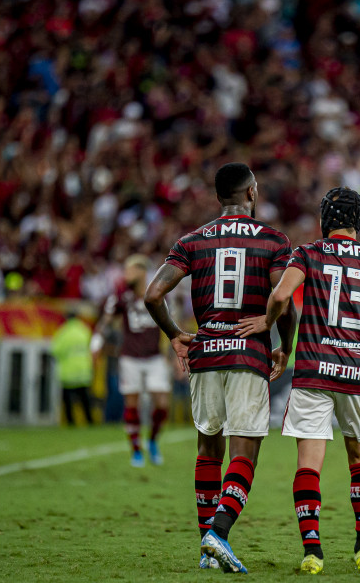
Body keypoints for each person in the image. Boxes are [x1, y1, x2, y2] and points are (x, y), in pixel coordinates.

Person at [237, 187, 360, 575]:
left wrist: (270, 326)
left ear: (325, 221)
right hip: (359, 373)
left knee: (310, 462)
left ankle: (312, 552)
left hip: (314, 370)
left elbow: (281, 294)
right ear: (359, 223)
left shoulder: (307, 253)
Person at [144, 162, 297, 573]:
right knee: (244, 451)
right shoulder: (273, 240)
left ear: (218, 198)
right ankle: (220, 534)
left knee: (208, 448)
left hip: (206, 353)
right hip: (248, 355)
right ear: (251, 192)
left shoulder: (194, 240)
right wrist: (283, 344)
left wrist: (176, 334)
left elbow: (154, 294)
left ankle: (205, 549)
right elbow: (284, 298)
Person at [92, 254, 172, 467]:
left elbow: (171, 326)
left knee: (163, 404)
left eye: (130, 270)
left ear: (141, 271)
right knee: (132, 403)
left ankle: (153, 440)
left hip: (154, 356)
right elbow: (106, 321)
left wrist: (173, 354)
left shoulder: (159, 295)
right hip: (130, 357)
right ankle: (136, 449)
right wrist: (96, 343)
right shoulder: (121, 297)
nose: (125, 275)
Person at [50, 312, 96, 426]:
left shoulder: (63, 332)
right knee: (85, 398)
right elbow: (92, 347)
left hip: (68, 372)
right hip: (83, 370)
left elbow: (55, 351)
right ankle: (89, 421)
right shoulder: (84, 330)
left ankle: (71, 422)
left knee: (68, 399)